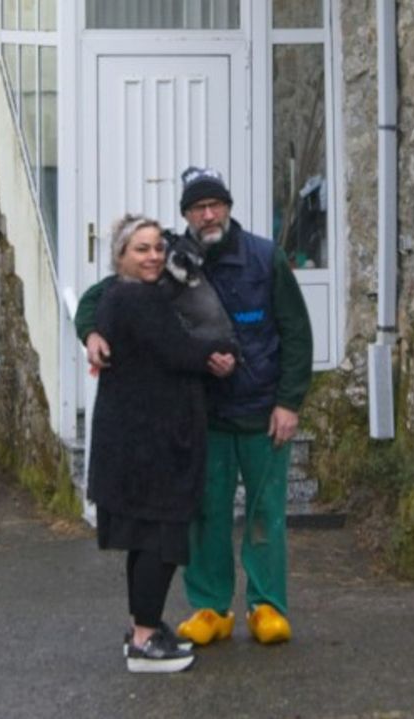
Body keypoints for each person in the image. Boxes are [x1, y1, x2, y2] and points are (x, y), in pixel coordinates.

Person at [76, 166, 314, 646]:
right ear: (185, 215)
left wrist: (289, 402)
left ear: (228, 207)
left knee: (267, 514)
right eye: (198, 208)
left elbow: (297, 332)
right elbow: (102, 295)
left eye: (216, 205)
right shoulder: (170, 257)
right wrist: (92, 331)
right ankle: (210, 607)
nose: (208, 214)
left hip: (261, 411)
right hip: (201, 416)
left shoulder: (265, 258)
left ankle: (267, 605)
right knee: (205, 516)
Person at [84, 213, 236, 673]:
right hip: (149, 447)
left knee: (144, 540)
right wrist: (221, 354)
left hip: (135, 443)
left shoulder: (122, 295)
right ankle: (146, 642)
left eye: (157, 249)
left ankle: (141, 627)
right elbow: (178, 350)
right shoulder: (136, 300)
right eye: (141, 249)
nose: (153, 257)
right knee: (159, 540)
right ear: (121, 257)